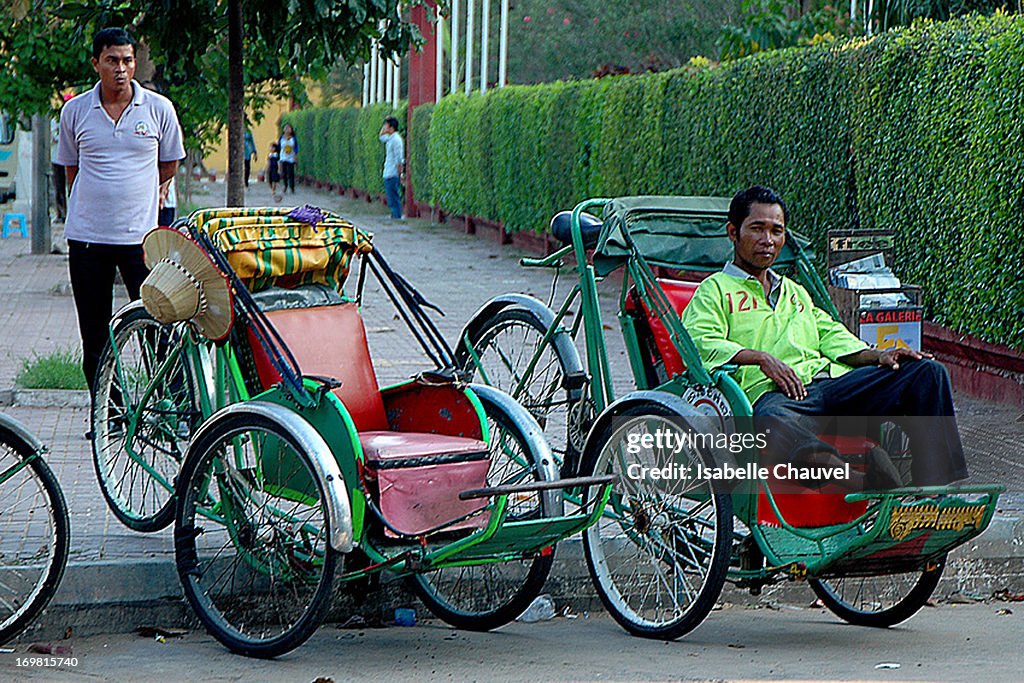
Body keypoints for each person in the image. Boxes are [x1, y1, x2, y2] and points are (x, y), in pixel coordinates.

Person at [680, 186, 968, 489]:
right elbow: (699, 342)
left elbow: (831, 335)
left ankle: (935, 492)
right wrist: (760, 358)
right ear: (733, 233)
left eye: (777, 231)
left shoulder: (794, 292)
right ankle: (860, 480)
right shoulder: (714, 291)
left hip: (831, 386)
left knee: (926, 372)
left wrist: (879, 354)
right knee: (770, 422)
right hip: (775, 400)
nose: (768, 241)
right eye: (757, 229)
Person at [57, 27, 185, 395]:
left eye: (127, 60)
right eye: (112, 60)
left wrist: (142, 191)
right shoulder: (76, 110)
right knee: (95, 335)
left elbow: (169, 164)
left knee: (157, 326)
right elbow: (71, 169)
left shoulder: (159, 109)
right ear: (96, 63)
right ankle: (106, 414)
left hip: (141, 241)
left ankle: (171, 406)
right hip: (87, 241)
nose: (121, 68)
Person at [379, 116, 405, 220]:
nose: (384, 127)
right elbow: (381, 137)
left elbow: (399, 158)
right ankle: (394, 214)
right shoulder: (390, 138)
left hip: (393, 172)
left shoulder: (396, 140)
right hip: (388, 171)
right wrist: (384, 127)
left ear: (391, 127)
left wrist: (400, 173)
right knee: (391, 196)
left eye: (386, 125)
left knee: (394, 196)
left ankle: (397, 215)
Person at [278, 123, 297, 194]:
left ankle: (292, 187)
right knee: (284, 173)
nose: (287, 130)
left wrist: (295, 156)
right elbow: (279, 147)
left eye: (289, 128)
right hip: (283, 157)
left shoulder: (293, 138)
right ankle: (285, 185)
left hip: (291, 158)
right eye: (286, 128)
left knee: (291, 173)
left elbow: (295, 148)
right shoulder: (281, 138)